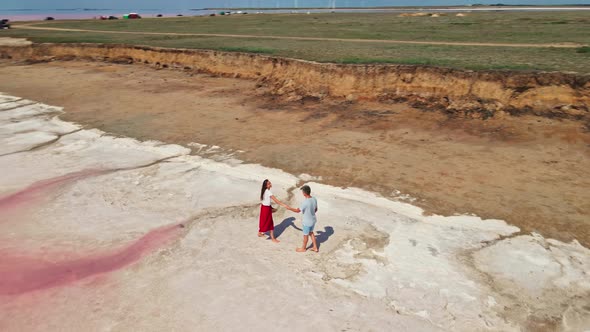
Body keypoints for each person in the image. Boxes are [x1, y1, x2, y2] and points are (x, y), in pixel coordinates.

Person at [285, 185, 318, 253]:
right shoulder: (314, 199)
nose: (302, 193)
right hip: (313, 220)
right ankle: (315, 247)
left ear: (304, 193)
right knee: (311, 233)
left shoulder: (305, 202)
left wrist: (289, 208)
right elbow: (316, 209)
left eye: (302, 191)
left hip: (307, 222)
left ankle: (303, 248)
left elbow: (297, 210)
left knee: (305, 235)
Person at [259, 179, 289, 243]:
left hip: (264, 207)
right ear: (266, 186)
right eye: (269, 183)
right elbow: (276, 201)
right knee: (270, 223)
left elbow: (265, 201)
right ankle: (273, 238)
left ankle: (259, 233)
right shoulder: (268, 192)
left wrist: (271, 207)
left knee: (263, 221)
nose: (270, 184)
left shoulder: (264, 191)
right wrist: (284, 205)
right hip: (266, 209)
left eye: (270, 183)